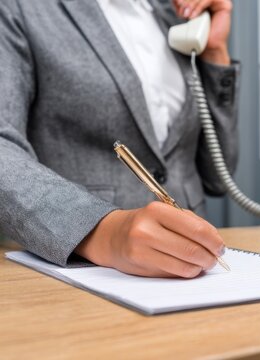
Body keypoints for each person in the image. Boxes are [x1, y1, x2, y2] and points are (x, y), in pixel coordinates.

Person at [0, 0, 239, 278]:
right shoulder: (21, 8)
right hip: (86, 273)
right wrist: (103, 232)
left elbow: (218, 178)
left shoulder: (173, 15)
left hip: (196, 271)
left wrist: (213, 50)